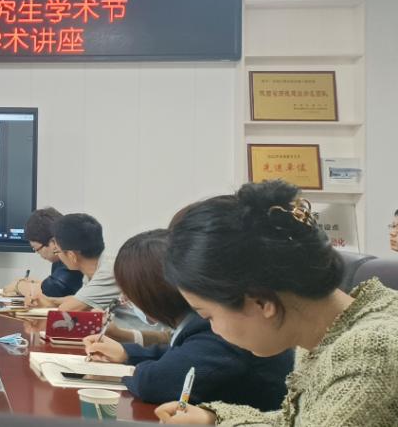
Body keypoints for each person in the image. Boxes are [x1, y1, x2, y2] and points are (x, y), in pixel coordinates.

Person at [155, 180, 398, 426]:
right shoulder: (319, 333)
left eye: (208, 316)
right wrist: (212, 419)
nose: (214, 330)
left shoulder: (371, 353)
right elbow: (300, 420)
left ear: (261, 302)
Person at [83, 229, 292, 408]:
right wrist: (126, 353)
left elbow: (156, 382)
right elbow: (181, 355)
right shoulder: (199, 323)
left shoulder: (221, 327)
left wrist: (124, 370)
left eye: (129, 293)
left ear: (153, 295)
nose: (125, 299)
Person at [27, 213, 121, 310]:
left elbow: (67, 309)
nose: (58, 256)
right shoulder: (93, 269)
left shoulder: (108, 272)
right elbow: (78, 299)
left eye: (57, 251)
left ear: (71, 256)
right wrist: (47, 300)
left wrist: (46, 301)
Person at [2, 207, 83, 298]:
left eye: (37, 249)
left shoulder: (72, 256)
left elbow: (53, 290)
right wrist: (33, 283)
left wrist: (18, 285)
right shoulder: (59, 259)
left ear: (53, 242)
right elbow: (59, 287)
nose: (38, 254)